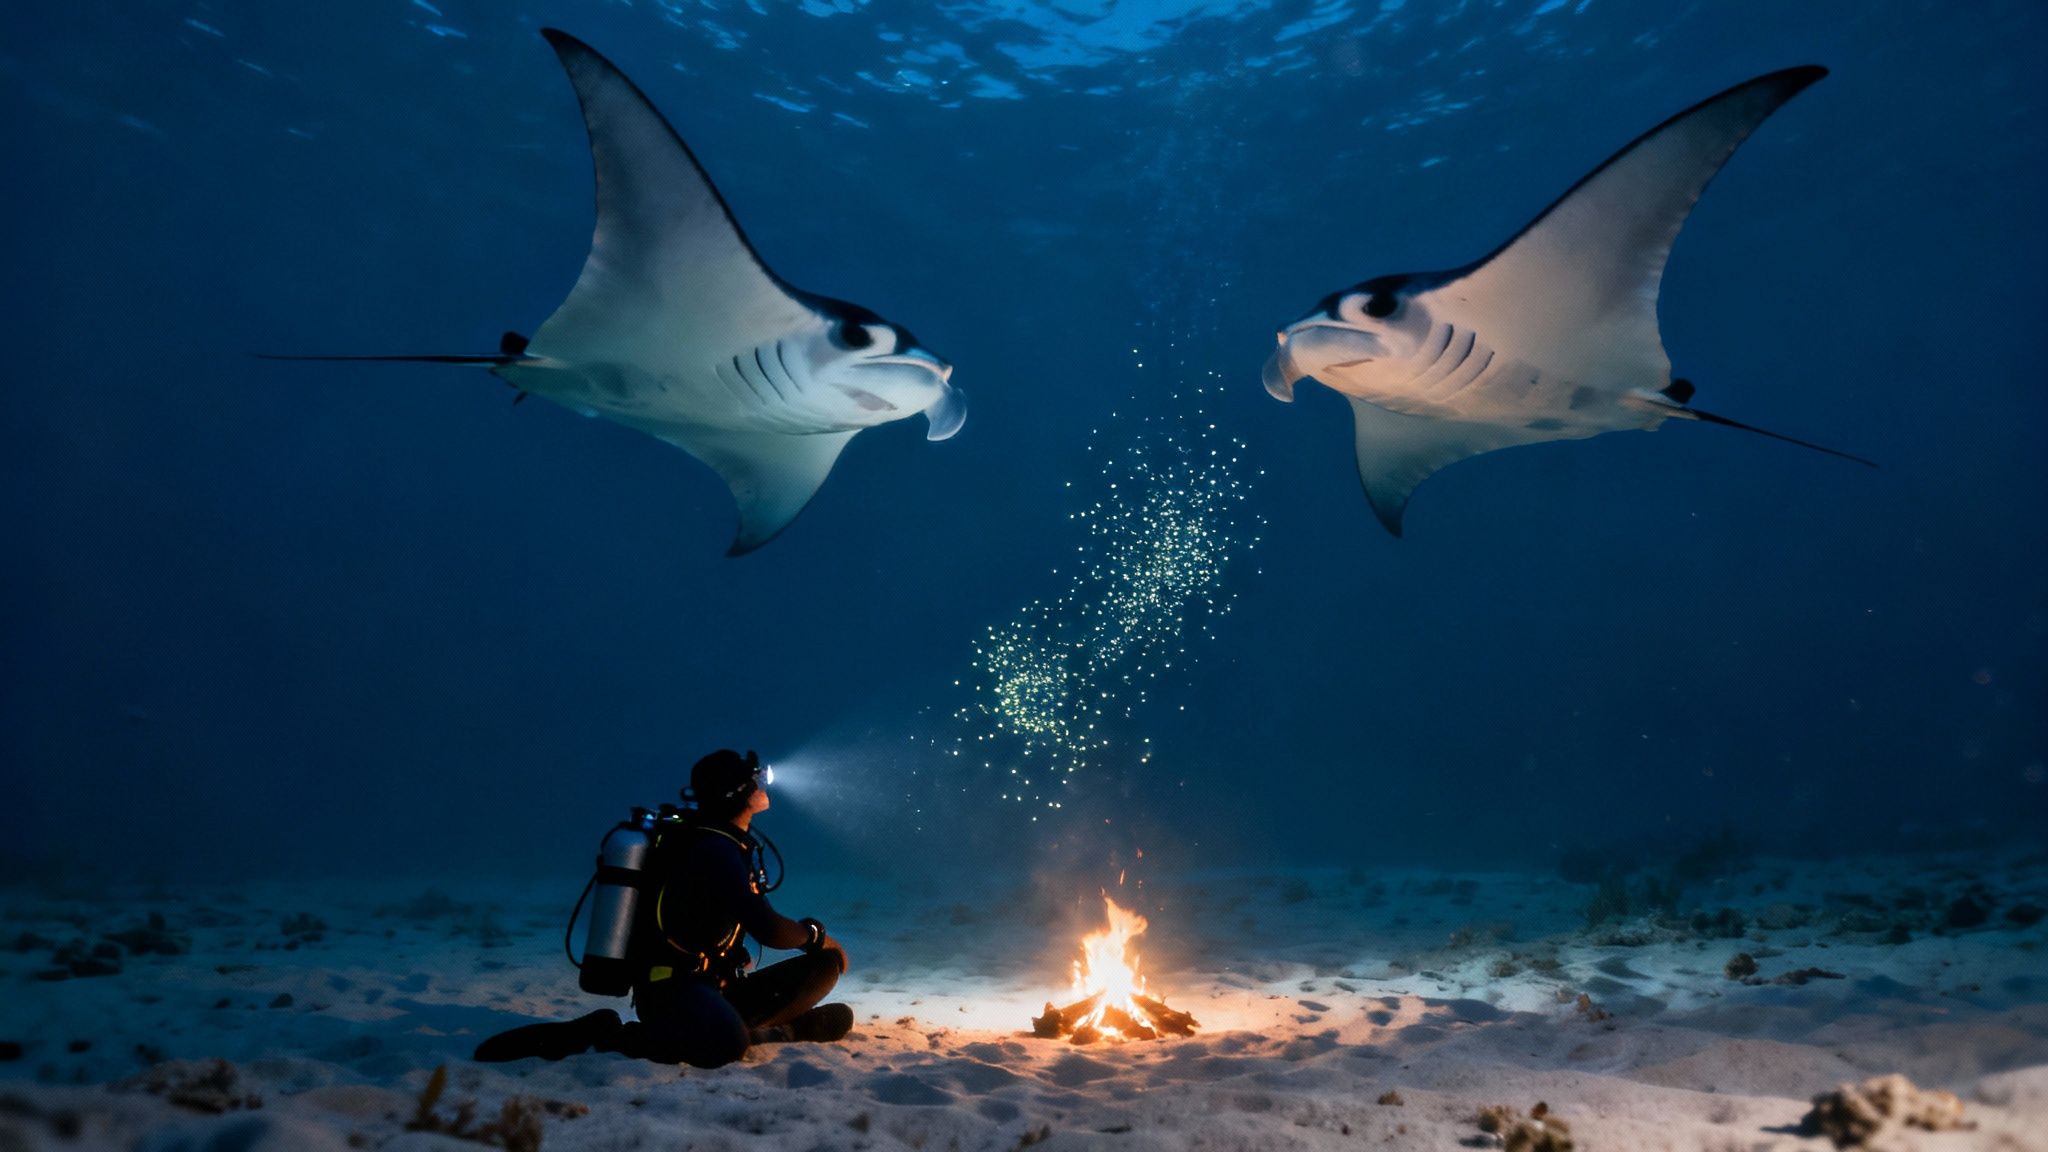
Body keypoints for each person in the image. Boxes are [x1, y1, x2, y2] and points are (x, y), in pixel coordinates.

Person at [474, 749, 852, 1067]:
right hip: (671, 989)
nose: (762, 783)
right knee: (726, 1045)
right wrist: (817, 935)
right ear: (738, 793)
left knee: (824, 968)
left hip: (713, 983)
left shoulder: (729, 844)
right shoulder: (715, 850)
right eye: (754, 779)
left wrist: (812, 950)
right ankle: (607, 1034)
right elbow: (768, 929)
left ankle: (746, 1026)